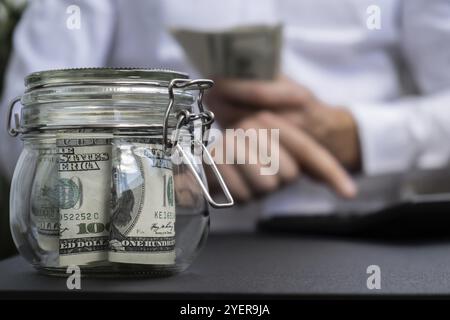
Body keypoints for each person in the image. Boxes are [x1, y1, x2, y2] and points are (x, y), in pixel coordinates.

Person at [1, 0, 450, 220]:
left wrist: (356, 135)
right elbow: (20, 130)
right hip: (159, 239)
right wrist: (162, 170)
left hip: (365, 228)